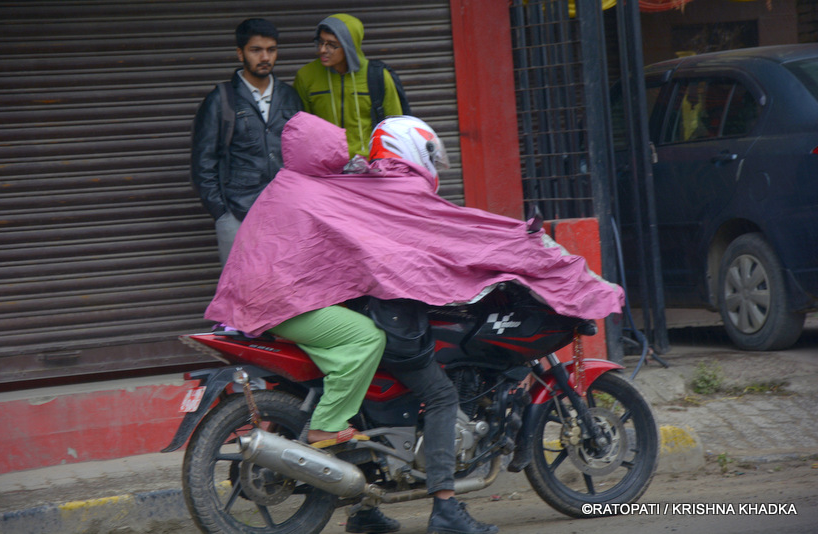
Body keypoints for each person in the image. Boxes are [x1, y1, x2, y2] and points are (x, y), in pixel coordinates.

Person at [207, 112, 624, 534]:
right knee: (436, 391)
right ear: (413, 150)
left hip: (273, 299)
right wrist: (517, 244)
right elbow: (454, 232)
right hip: (286, 303)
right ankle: (444, 507)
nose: (344, 156)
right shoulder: (387, 188)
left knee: (372, 406)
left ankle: (363, 511)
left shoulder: (319, 184)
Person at [191, 18, 302, 265]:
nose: (265, 57)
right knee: (241, 295)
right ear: (240, 54)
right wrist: (222, 214)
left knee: (286, 290)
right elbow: (203, 163)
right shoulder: (221, 100)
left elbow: (301, 155)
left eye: (271, 50)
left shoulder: (289, 97)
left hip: (285, 214)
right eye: (256, 50)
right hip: (238, 214)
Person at [293, 13, 403, 158]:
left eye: (331, 45)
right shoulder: (306, 76)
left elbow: (396, 127)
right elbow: (300, 129)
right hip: (325, 169)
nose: (322, 50)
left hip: (370, 168)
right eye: (320, 42)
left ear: (349, 46)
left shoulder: (378, 76)